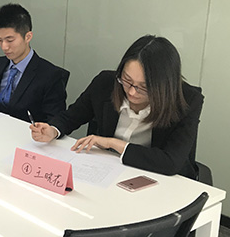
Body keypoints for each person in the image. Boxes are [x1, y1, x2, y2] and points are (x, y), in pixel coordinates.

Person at [30, 35, 204, 179]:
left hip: (158, 180)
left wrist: (113, 143)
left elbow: (170, 162)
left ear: (164, 86)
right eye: (127, 80)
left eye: (143, 87)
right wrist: (53, 130)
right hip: (107, 173)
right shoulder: (105, 83)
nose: (132, 92)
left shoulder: (188, 101)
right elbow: (71, 116)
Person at [0, 3, 67, 123]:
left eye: (10, 40)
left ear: (28, 37)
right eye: (0, 40)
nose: (4, 47)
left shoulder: (50, 75)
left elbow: (54, 122)